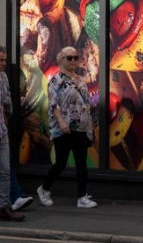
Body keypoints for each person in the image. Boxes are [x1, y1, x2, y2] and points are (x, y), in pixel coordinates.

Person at [37, 47, 97, 209]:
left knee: (81, 163)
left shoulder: (81, 80)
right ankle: (44, 189)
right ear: (61, 60)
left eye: (75, 58)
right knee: (61, 163)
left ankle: (82, 197)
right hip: (63, 128)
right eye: (69, 58)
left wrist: (89, 127)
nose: (73, 61)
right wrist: (62, 122)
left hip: (81, 127)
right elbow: (53, 104)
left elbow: (86, 104)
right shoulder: (56, 80)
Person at [0, 46, 25, 221]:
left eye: (5, 60)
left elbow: (7, 102)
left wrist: (6, 119)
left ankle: (4, 207)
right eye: (0, 60)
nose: (4, 64)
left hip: (1, 131)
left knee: (5, 171)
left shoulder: (3, 77)